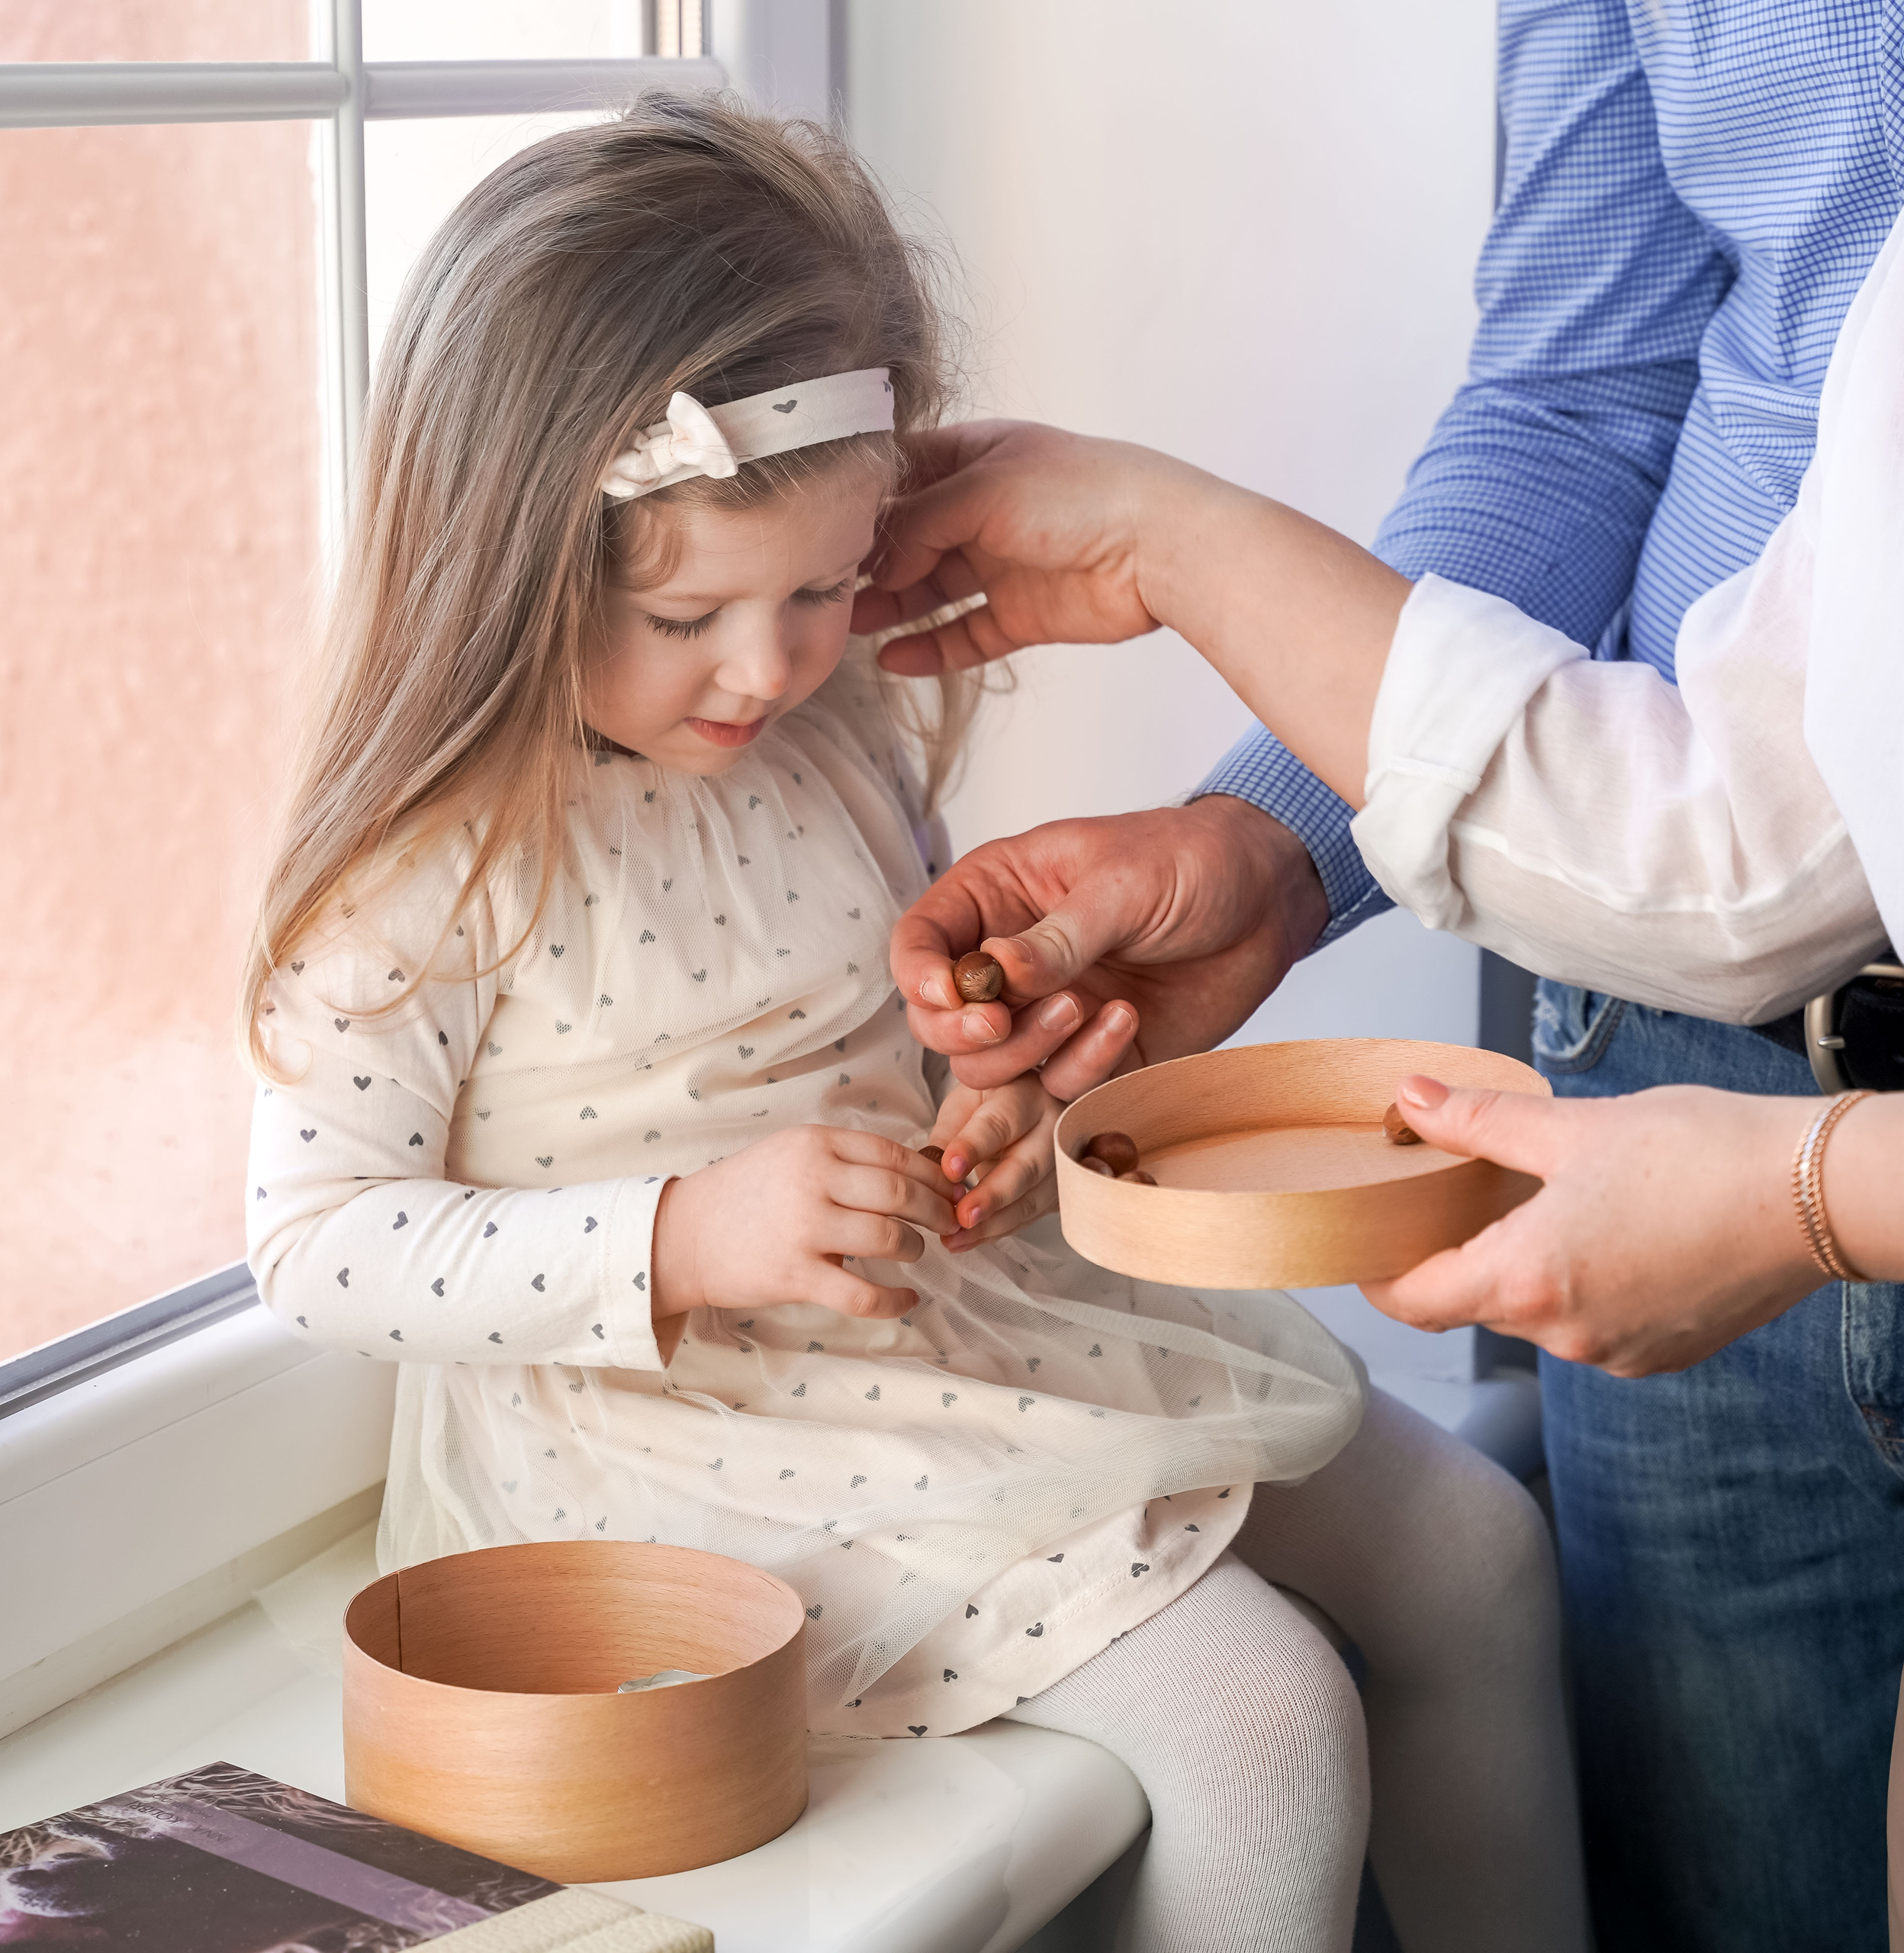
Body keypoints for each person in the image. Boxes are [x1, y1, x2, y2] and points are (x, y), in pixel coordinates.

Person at [236, 98, 1587, 1953]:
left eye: (819, 588)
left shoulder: (823, 725)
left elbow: (892, 1028)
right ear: (504, 559)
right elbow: (316, 1245)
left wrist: (988, 1085)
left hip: (975, 1333)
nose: (771, 665)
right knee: (1263, 1721)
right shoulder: (429, 872)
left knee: (1482, 1555)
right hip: (696, 1431)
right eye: (690, 609)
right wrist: (692, 1232)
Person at [855, 8, 1904, 1945]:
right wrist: (1267, 846)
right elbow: (1579, 409)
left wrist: (1172, 544)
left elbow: (1749, 850)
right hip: (1674, 1067)